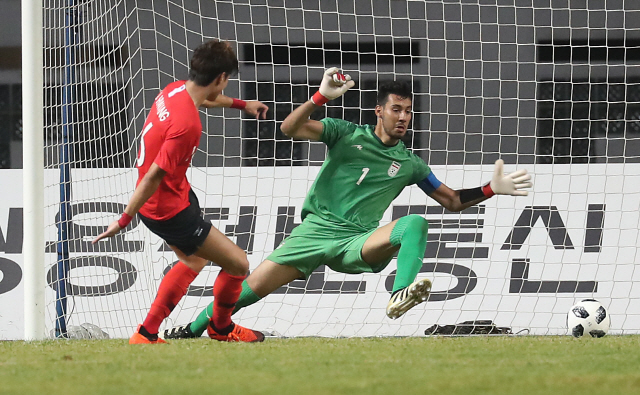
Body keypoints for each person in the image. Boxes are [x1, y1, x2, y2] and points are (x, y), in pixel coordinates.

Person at [163, 67, 532, 340]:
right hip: (313, 233)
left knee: (415, 223)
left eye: (408, 111)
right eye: (396, 109)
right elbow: (289, 128)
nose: (403, 117)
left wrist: (490, 189)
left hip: (358, 242)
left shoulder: (410, 163)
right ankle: (192, 331)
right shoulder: (344, 133)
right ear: (379, 111)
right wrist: (319, 97)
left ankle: (399, 294)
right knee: (246, 290)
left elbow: (451, 201)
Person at [92, 39, 269, 344]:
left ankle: (146, 334)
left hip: (171, 199)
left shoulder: (174, 90)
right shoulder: (187, 125)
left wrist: (242, 105)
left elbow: (208, 100)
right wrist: (123, 220)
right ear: (221, 78)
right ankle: (221, 328)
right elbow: (152, 177)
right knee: (238, 264)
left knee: (194, 261)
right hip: (169, 209)